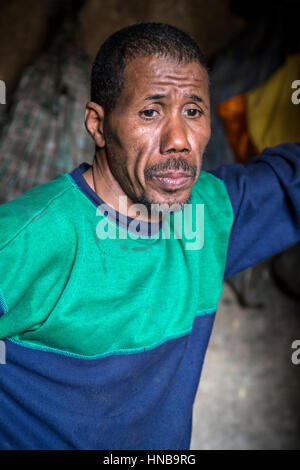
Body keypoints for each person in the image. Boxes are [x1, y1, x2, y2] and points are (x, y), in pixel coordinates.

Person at [0, 22, 299, 450]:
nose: (178, 140)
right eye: (150, 112)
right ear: (98, 126)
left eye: (193, 112)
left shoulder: (212, 214)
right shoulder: (27, 240)